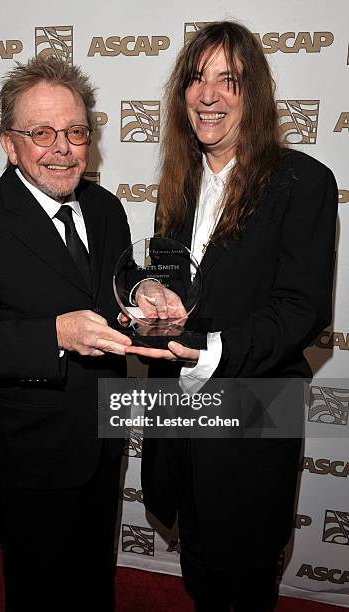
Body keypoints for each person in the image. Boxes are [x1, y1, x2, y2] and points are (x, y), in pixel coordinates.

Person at [126, 21, 338, 612]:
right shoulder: (180, 182)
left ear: (255, 94)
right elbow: (171, 279)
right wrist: (148, 289)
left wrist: (214, 349)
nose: (208, 94)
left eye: (229, 79)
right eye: (196, 78)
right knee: (197, 563)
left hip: (253, 409)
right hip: (177, 409)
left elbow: (303, 309)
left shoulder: (304, 182)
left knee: (242, 576)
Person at [0, 56, 133, 611]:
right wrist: (55, 334)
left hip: (104, 436)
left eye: (74, 131)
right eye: (41, 132)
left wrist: (141, 293)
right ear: (9, 143)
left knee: (94, 581)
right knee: (39, 589)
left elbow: (116, 278)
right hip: (30, 455)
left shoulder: (107, 207)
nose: (62, 147)